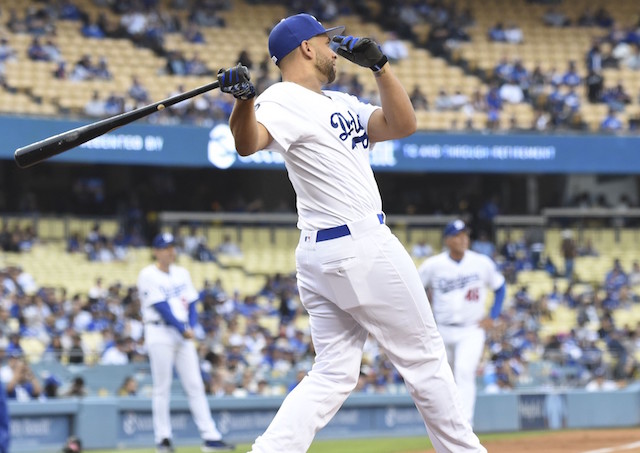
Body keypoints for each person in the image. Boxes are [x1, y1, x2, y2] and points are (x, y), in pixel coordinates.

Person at [217, 13, 485, 453]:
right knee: (425, 358)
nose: (332, 49)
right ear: (305, 48)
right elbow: (248, 144)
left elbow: (402, 125)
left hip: (321, 256)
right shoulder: (280, 97)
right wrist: (243, 101)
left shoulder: (340, 101)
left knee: (333, 373)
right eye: (326, 41)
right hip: (361, 244)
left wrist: (382, 69)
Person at [137, 232, 233, 453]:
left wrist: (189, 326)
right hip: (159, 331)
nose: (171, 251)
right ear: (156, 251)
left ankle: (210, 438)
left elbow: (192, 302)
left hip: (182, 333)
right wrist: (183, 329)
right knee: (162, 387)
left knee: (195, 385)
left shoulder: (181, 272)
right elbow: (161, 306)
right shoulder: (148, 274)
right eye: (165, 247)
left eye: (172, 247)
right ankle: (163, 439)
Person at [418, 219, 506, 426]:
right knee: (443, 379)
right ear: (448, 240)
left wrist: (492, 316)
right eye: (458, 235)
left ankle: (465, 424)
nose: (463, 239)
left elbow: (500, 287)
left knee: (464, 372)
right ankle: (446, 423)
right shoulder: (433, 265)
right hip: (442, 330)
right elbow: (414, 290)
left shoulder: (481, 262)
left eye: (465, 235)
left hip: (471, 329)